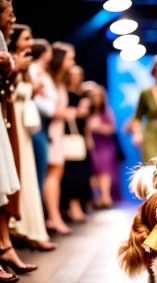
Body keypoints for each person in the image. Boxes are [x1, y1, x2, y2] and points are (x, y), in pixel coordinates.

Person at [8, 24, 56, 251]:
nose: (29, 43)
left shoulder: (25, 64)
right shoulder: (14, 61)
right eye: (26, 38)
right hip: (14, 118)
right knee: (22, 173)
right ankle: (18, 229)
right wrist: (29, 87)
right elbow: (10, 90)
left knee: (29, 174)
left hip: (25, 122)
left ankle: (30, 229)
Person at [0, 0, 37, 275]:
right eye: (10, 14)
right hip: (10, 114)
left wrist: (14, 66)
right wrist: (14, 64)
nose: (12, 19)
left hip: (8, 112)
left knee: (9, 180)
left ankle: (5, 244)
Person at [43, 42, 76, 234]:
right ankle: (53, 217)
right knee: (53, 174)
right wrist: (66, 112)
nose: (72, 61)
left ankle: (53, 216)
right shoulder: (48, 79)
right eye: (69, 57)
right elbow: (49, 109)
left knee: (56, 174)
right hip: (51, 132)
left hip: (57, 131)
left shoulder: (59, 81)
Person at [61, 65, 91, 222]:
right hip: (67, 137)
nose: (76, 77)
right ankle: (72, 207)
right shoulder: (65, 94)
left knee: (81, 173)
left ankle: (77, 206)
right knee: (71, 173)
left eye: (78, 74)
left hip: (79, 138)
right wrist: (78, 111)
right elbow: (68, 114)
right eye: (72, 74)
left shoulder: (82, 95)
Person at [86, 85, 118, 209]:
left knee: (105, 170)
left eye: (99, 96)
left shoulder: (107, 112)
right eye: (93, 96)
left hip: (104, 144)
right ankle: (96, 198)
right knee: (94, 171)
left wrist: (98, 127)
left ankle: (106, 197)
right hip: (92, 145)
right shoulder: (87, 112)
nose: (96, 99)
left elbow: (112, 128)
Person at [29, 38, 53, 194]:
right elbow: (37, 98)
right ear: (45, 53)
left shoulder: (42, 72)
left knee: (41, 169)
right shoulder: (33, 70)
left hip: (43, 124)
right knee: (38, 169)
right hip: (36, 123)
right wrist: (54, 110)